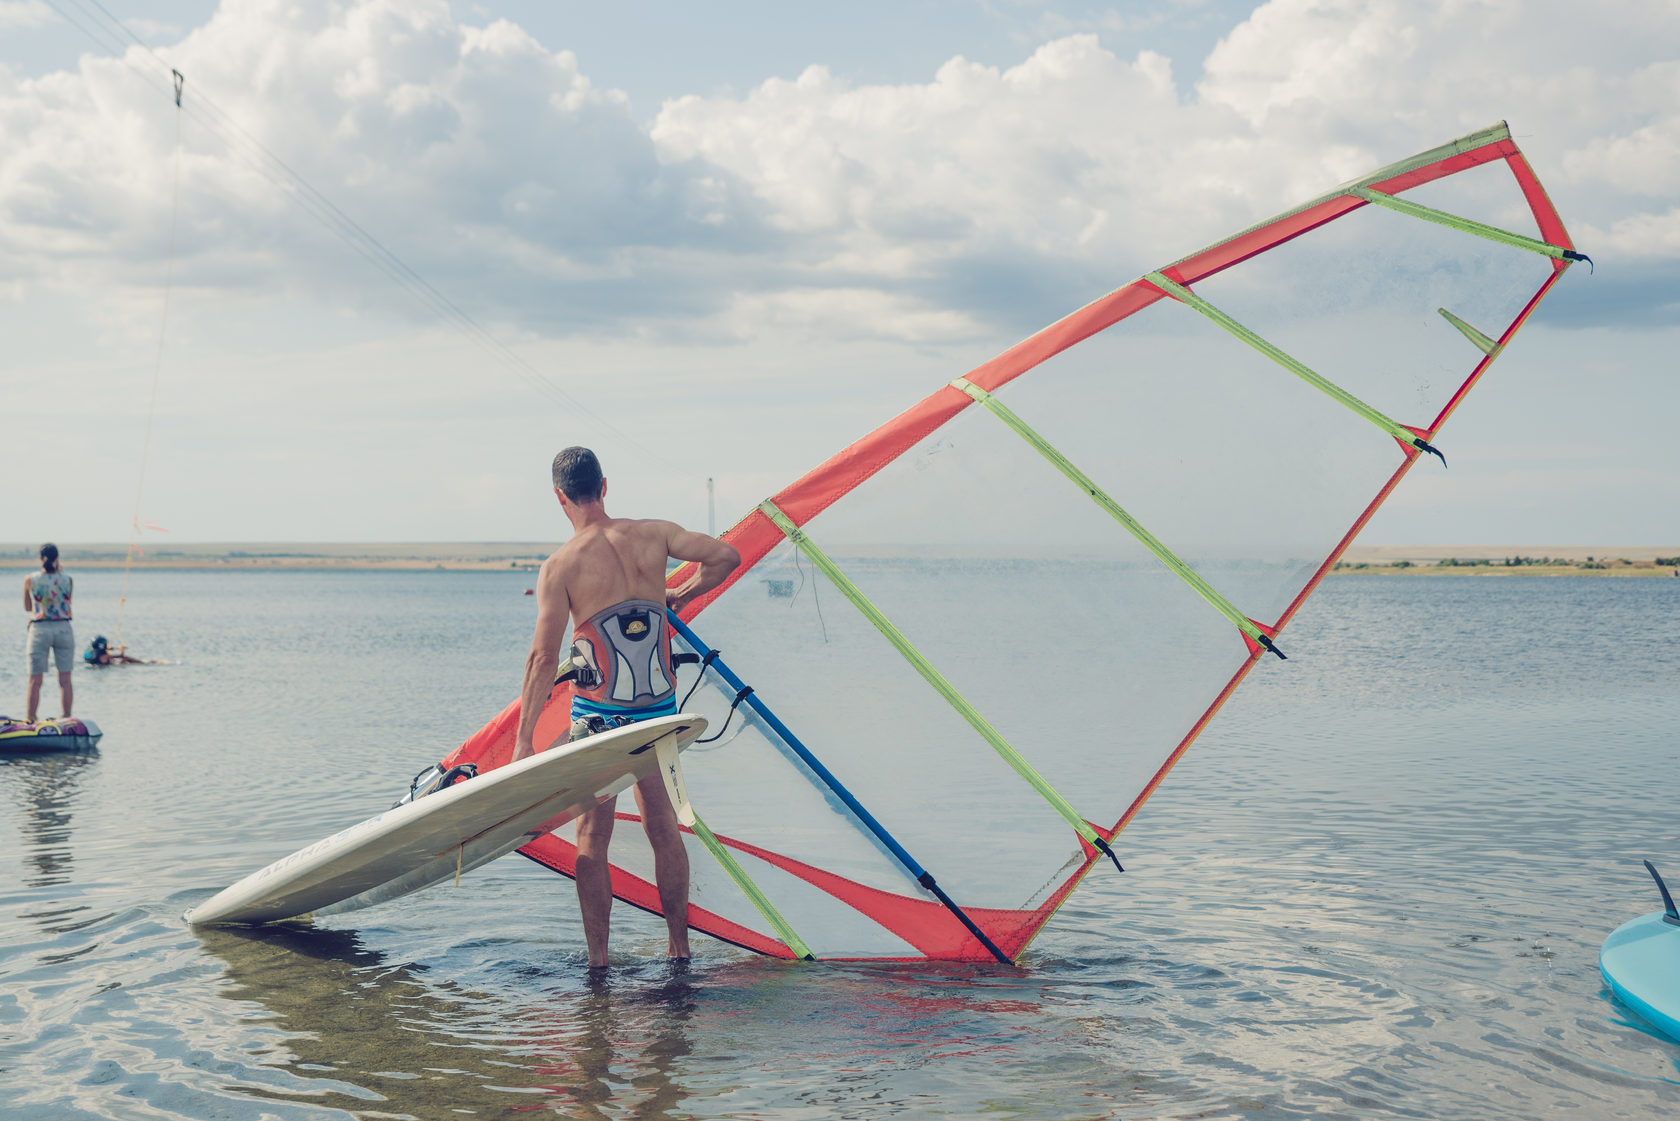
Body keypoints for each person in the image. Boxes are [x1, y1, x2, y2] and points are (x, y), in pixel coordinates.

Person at [512, 446, 740, 966]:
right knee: (664, 829)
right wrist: (682, 594)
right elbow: (727, 556)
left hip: (598, 721)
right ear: (604, 487)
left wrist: (524, 741)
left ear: (560, 497)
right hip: (658, 713)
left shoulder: (561, 566)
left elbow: (543, 658)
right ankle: (679, 950)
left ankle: (599, 964)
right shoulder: (656, 534)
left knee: (592, 839)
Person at [22, 543, 74, 724]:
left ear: (40, 558)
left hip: (40, 629)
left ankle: (31, 718)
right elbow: (67, 603)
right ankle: (66, 717)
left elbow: (28, 607)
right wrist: (59, 572)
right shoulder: (68, 579)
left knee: (35, 679)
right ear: (57, 558)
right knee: (65, 678)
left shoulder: (30, 579)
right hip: (63, 628)